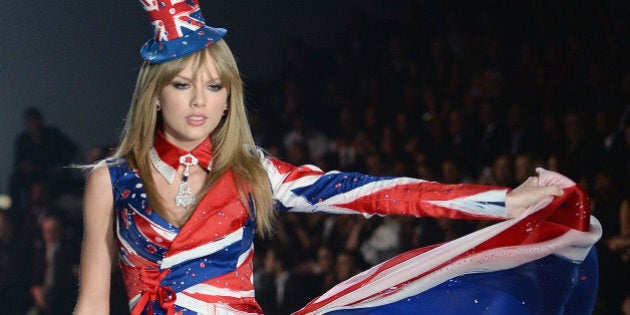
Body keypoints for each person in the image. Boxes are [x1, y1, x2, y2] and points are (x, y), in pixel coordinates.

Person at [74, 1, 587, 314]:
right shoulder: (112, 180)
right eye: (183, 85)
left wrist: (500, 201)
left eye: (215, 85)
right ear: (156, 94)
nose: (200, 101)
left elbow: (376, 194)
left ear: (232, 95)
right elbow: (93, 304)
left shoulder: (253, 172)